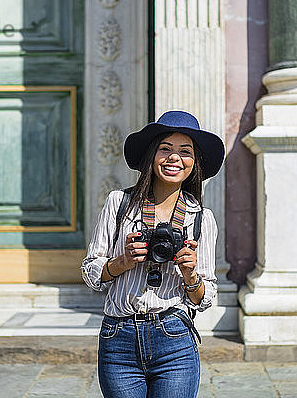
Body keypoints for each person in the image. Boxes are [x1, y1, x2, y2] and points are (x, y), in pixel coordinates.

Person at [81, 110, 225, 398]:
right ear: (151, 155)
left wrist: (190, 274)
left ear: (194, 163)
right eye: (165, 149)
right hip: (118, 339)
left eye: (185, 152)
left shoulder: (201, 219)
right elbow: (90, 273)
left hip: (174, 339)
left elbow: (205, 298)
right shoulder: (119, 203)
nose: (174, 158)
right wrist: (122, 262)